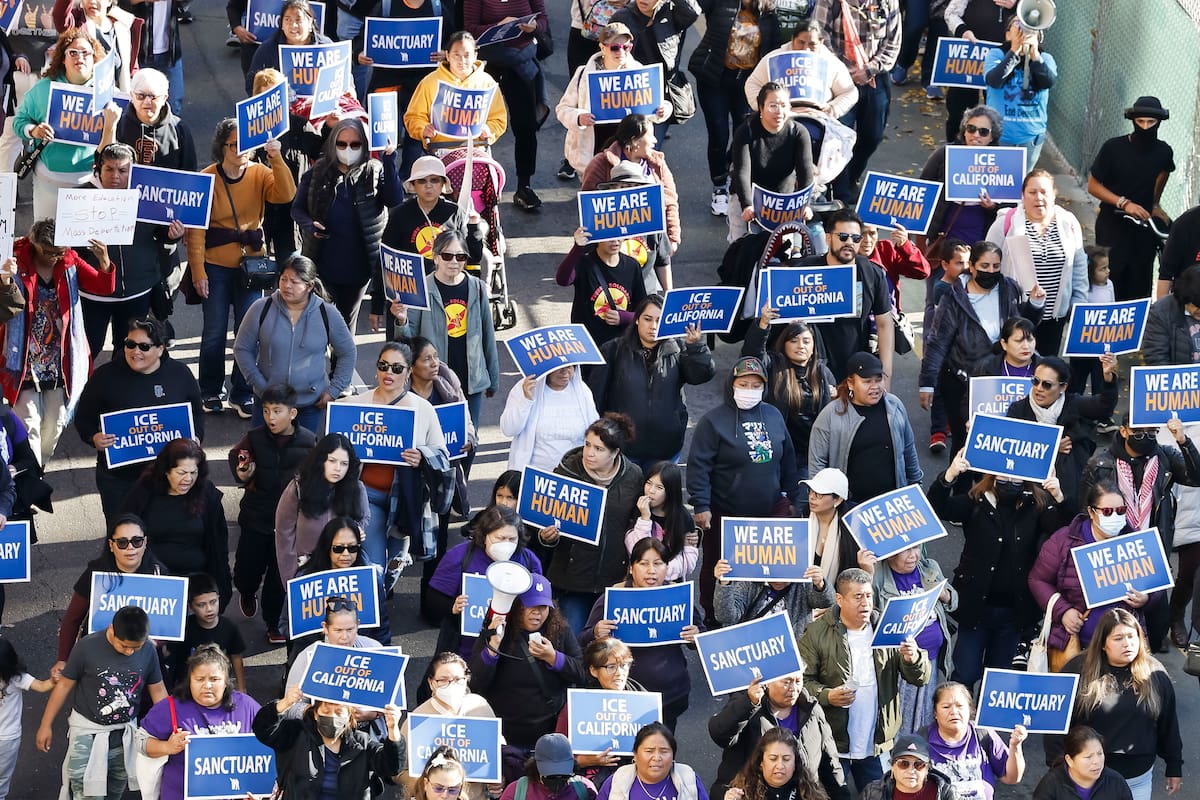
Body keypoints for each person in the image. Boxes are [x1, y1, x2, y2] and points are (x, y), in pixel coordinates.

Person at [186, 117, 297, 419]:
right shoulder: (207, 177)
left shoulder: (260, 172)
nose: (240, 150)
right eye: (234, 144)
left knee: (249, 335)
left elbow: (286, 194)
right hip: (216, 267)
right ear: (222, 147)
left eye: (245, 144)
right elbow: (195, 231)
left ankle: (242, 392)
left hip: (251, 266)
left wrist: (275, 156)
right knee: (214, 332)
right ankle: (209, 390)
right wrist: (198, 271)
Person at [929, 447, 1066, 686]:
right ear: (992, 475)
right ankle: (962, 720)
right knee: (965, 674)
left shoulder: (1036, 506)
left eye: (1015, 477)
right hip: (975, 609)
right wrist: (949, 476)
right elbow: (937, 507)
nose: (1009, 481)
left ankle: (986, 724)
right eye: (1003, 476)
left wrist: (1058, 497)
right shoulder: (976, 502)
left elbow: (1064, 531)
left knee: (998, 680)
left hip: (1013, 614)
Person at [687, 356, 803, 624]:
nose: (749, 389)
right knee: (718, 568)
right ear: (732, 384)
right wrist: (701, 505)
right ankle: (714, 619)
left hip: (770, 510)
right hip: (725, 512)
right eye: (744, 383)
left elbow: (787, 458)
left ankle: (761, 617)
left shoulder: (773, 415)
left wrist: (792, 497)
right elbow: (698, 466)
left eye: (755, 385)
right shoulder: (712, 421)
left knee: (771, 569)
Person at [797, 568, 932, 794]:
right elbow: (801, 681)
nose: (865, 603)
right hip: (833, 745)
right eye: (857, 596)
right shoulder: (817, 632)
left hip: (876, 745)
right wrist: (827, 695)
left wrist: (913, 658)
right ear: (839, 599)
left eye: (868, 595)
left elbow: (920, 678)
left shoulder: (888, 628)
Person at [0, 218, 114, 465]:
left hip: (59, 359)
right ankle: (31, 478)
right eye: (47, 252)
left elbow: (102, 287)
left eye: (58, 252)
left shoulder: (70, 260)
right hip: (23, 358)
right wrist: (5, 278)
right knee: (28, 426)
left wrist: (104, 261)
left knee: (55, 425)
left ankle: (35, 469)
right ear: (34, 244)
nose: (53, 257)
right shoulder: (15, 259)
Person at [1080, 414, 1200, 648]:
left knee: (1155, 628)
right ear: (1124, 431)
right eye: (1139, 433)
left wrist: (1183, 441)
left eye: (1151, 433)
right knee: (1113, 623)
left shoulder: (1165, 456)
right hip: (1111, 553)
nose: (1146, 438)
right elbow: (1085, 513)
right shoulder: (1100, 464)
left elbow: (1196, 478)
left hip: (1151, 552)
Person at [919, 240, 1045, 456]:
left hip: (999, 380)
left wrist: (1035, 305)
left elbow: (1022, 329)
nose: (991, 271)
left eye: (996, 267)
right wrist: (927, 384)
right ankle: (959, 486)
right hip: (961, 382)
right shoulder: (953, 296)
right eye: (985, 266)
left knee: (1000, 445)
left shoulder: (1009, 288)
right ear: (973, 266)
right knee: (964, 445)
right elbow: (938, 342)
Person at [74, 317, 204, 520]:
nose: (136, 352)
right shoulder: (104, 377)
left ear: (160, 349)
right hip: (119, 481)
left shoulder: (180, 375)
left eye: (144, 346)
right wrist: (93, 437)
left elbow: (196, 411)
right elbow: (83, 417)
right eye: (130, 344)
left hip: (168, 480)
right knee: (125, 539)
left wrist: (196, 436)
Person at [36, 606, 168, 799]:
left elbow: (158, 690)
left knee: (114, 790)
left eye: (136, 647)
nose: (130, 652)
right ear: (111, 630)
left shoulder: (148, 649)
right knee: (83, 791)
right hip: (87, 733)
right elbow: (64, 685)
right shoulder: (86, 647)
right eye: (125, 646)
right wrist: (45, 725)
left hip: (124, 736)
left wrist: (170, 726)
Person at [1056, 609, 1182, 800]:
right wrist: (1057, 767)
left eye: (1132, 636)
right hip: (1087, 778)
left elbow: (1168, 723)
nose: (1127, 644)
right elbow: (1057, 724)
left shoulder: (1155, 672)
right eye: (1118, 638)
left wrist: (1174, 766)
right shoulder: (1076, 670)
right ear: (1103, 644)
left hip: (1137, 776)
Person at [292, 118, 402, 333]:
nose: (348, 149)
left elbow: (395, 199)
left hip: (359, 269)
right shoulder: (318, 172)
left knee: (344, 327)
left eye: (355, 144)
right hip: (323, 265)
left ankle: (341, 366)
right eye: (342, 144)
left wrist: (389, 160)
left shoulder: (374, 170)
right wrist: (310, 225)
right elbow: (297, 209)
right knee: (322, 324)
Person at [581, 538, 703, 731]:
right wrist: (595, 632)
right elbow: (583, 639)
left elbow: (700, 634)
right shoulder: (614, 598)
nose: (651, 571)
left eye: (658, 563)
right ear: (631, 568)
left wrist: (696, 636)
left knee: (660, 753)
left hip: (670, 695)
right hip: (625, 698)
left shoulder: (677, 596)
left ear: (666, 567)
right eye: (644, 563)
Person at [78, 142, 186, 359]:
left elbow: (161, 232)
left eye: (122, 170)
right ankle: (83, 392)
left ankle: (123, 392)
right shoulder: (79, 198)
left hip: (137, 291)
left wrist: (173, 234)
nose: (115, 176)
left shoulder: (148, 196)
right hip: (93, 295)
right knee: (87, 350)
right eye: (109, 169)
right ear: (98, 168)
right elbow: (68, 247)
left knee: (128, 351)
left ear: (133, 171)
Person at [228, 384, 317, 644]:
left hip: (288, 526)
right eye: (266, 411)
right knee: (246, 571)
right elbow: (237, 456)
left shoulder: (310, 442)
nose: (271, 418)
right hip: (256, 519)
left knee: (280, 577)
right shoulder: (254, 437)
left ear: (293, 413)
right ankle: (246, 591)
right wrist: (242, 472)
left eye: (277, 411)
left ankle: (272, 622)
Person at [351, 341, 451, 570]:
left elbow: (442, 454)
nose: (389, 373)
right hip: (368, 495)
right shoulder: (357, 404)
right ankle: (379, 600)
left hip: (406, 498)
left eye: (396, 368)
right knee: (374, 566)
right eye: (383, 365)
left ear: (408, 373)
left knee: (396, 565)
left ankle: (382, 595)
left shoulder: (423, 408)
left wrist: (422, 457)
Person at [540, 414, 644, 632]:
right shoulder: (565, 473)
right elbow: (540, 524)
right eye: (587, 444)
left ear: (615, 452)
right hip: (572, 581)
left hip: (613, 580)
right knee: (573, 641)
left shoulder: (634, 477)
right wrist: (546, 537)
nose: (589, 452)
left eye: (598, 448)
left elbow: (637, 525)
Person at [1028, 482, 1156, 657]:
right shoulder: (1064, 540)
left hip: (1126, 647)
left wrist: (1146, 598)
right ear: (1091, 512)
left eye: (1121, 511)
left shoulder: (1136, 541)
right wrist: (1062, 611)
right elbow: (1038, 580)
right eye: (1108, 512)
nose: (1115, 516)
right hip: (1078, 646)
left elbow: (1158, 585)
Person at [232, 255, 356, 431]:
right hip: (268, 404)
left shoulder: (327, 313)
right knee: (262, 456)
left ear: (310, 286)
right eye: (283, 279)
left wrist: (334, 390)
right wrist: (260, 385)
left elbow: (348, 352)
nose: (287, 286)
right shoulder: (261, 308)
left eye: (294, 282)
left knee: (304, 458)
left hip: (309, 407)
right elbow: (242, 348)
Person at [589, 295, 714, 469]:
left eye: (659, 320)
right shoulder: (613, 350)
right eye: (647, 319)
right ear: (637, 320)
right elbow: (595, 399)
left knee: (661, 496)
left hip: (666, 448)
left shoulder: (679, 348)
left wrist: (697, 347)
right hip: (624, 448)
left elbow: (701, 376)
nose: (653, 326)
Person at [392, 230, 500, 429]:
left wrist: (492, 378)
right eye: (447, 256)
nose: (454, 262)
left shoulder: (476, 287)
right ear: (435, 258)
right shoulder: (421, 289)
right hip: (436, 378)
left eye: (460, 256)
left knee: (469, 436)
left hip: (471, 377)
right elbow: (408, 343)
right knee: (439, 434)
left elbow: (487, 334)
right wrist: (401, 320)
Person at [470, 579, 587, 755]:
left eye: (543, 607)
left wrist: (554, 658)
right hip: (505, 733)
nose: (537, 613)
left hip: (546, 731)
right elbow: (476, 680)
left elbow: (582, 672)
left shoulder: (560, 631)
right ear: (517, 607)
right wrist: (493, 647)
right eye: (530, 606)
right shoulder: (499, 632)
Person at [687, 0, 780, 217]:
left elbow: (774, 49)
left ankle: (734, 177)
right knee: (719, 134)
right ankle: (719, 185)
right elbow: (692, 7)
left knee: (744, 133)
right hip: (715, 78)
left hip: (747, 82)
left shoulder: (767, 11)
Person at [137, 644, 262, 800]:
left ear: (226, 681)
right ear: (190, 680)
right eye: (200, 679)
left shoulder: (246, 706)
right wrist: (167, 747)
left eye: (215, 679)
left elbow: (269, 745)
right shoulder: (170, 708)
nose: (207, 686)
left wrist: (257, 788)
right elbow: (140, 742)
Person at [119, 438, 233, 610]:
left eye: (193, 473)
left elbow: (219, 542)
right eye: (181, 473)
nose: (188, 479)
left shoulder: (207, 495)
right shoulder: (144, 492)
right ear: (166, 471)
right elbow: (122, 531)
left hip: (196, 583)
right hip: (153, 582)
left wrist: (221, 586)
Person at [986, 169, 1087, 357]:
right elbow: (987, 263)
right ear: (1023, 195)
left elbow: (1079, 267)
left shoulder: (1069, 223)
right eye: (1032, 192)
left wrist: (1079, 304)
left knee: (1046, 373)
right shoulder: (1005, 224)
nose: (1038, 197)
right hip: (1016, 316)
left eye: (1044, 192)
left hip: (1054, 319)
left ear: (1054, 195)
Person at [52, 515, 166, 677]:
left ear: (145, 543)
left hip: (143, 660)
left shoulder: (159, 574)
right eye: (122, 542)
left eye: (137, 541)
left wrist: (152, 644)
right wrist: (63, 659)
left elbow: (169, 626)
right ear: (111, 546)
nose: (130, 548)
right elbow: (72, 619)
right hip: (98, 657)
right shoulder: (95, 574)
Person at [1086, 96, 1174, 301]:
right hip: (1112, 222)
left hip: (1143, 225)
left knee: (1139, 281)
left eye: (1151, 122)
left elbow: (1164, 172)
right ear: (1133, 120)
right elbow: (1093, 185)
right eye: (1140, 121)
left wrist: (1153, 204)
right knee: (1109, 277)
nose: (1145, 127)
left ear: (1159, 122)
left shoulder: (1164, 151)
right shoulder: (1113, 148)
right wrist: (1124, 203)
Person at [463, 0, 548, 210]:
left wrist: (534, 27)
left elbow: (543, 20)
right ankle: (476, 184)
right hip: (488, 65)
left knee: (526, 128)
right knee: (475, 128)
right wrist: (499, 26)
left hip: (521, 65)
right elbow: (470, 30)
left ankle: (524, 186)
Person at [791, 209, 894, 382]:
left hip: (854, 373)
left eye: (855, 238)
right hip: (811, 374)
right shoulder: (803, 271)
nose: (849, 243)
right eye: (843, 236)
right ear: (828, 238)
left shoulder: (872, 273)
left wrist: (886, 377)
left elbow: (884, 325)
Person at [813, 0, 900, 203]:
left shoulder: (888, 2)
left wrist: (868, 70)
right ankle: (841, 195)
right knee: (837, 138)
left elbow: (893, 43)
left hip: (875, 76)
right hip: (839, 79)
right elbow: (820, 37)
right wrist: (844, 71)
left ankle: (850, 177)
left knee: (873, 135)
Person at [429, 505, 544, 659]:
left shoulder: (529, 561)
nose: (506, 544)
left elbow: (539, 600)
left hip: (511, 651)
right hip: (463, 650)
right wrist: (452, 607)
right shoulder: (459, 556)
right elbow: (432, 599)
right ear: (485, 536)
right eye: (500, 538)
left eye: (512, 539)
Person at [708, 674, 848, 800]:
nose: (793, 688)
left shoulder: (812, 710)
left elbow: (831, 766)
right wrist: (749, 703)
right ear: (767, 682)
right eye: (786, 682)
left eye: (798, 681)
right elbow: (720, 734)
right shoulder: (748, 706)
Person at [1006, 355, 1118, 512]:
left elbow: (1104, 407)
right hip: (1031, 489)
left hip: (1070, 484)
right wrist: (1049, 447)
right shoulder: (1018, 409)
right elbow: (1011, 446)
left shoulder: (1074, 404)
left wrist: (1108, 378)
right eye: (1035, 381)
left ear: (1063, 387)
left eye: (1047, 385)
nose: (1039, 388)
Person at [557, 23, 671, 176]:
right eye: (615, 48)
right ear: (602, 48)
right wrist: (579, 118)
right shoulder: (583, 75)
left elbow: (658, 106)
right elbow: (563, 109)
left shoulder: (639, 72)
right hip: (593, 151)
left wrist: (663, 110)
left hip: (629, 154)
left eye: (626, 47)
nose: (621, 52)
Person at [808, 351, 921, 505]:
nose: (875, 387)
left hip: (894, 503)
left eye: (879, 380)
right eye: (867, 381)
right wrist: (823, 501)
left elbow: (908, 449)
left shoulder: (895, 406)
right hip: (850, 507)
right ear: (850, 383)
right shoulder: (830, 415)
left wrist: (917, 485)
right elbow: (817, 465)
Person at [253, 685, 404, 798]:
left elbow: (392, 767)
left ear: (349, 717)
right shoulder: (296, 735)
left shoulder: (363, 744)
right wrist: (284, 703)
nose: (332, 717)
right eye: (325, 711)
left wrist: (393, 730)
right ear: (316, 714)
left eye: (339, 712)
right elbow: (262, 729)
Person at [13, 28, 103, 218]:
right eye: (73, 52)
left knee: (81, 246)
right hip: (49, 181)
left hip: (89, 182)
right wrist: (34, 130)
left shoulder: (106, 92)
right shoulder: (43, 89)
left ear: (95, 57)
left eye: (86, 52)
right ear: (63, 58)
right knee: (46, 242)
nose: (80, 57)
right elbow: (19, 122)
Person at [871, 545, 956, 734]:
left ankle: (919, 758)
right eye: (906, 550)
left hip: (930, 661)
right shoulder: (877, 575)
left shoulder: (929, 567)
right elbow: (868, 615)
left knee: (924, 717)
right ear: (891, 553)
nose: (913, 555)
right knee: (899, 720)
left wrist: (943, 594)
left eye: (916, 548)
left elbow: (954, 601)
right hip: (899, 666)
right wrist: (866, 570)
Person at [743, 313, 836, 480]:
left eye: (806, 341)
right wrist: (763, 323)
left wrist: (837, 394)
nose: (800, 346)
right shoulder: (774, 365)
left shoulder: (822, 373)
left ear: (814, 346)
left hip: (812, 454)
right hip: (779, 451)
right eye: (794, 341)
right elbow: (752, 356)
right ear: (784, 344)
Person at [400, 654, 500, 800]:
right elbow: (397, 771)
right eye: (444, 680)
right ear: (431, 683)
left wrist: (498, 778)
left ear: (466, 679)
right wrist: (429, 782)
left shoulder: (480, 707)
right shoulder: (417, 720)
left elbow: (497, 748)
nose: (452, 684)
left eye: (458, 679)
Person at [579, 115, 682, 255]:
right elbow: (590, 208)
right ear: (634, 141)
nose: (655, 140)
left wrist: (672, 239)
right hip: (613, 248)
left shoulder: (658, 164)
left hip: (649, 246)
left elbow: (670, 202)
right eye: (650, 135)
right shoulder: (600, 164)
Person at [275, 432, 369, 584]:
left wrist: (356, 529)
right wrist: (290, 577)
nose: (338, 468)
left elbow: (364, 517)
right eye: (332, 461)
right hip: (306, 569)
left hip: (343, 571)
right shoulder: (299, 487)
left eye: (344, 463)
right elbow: (283, 532)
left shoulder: (357, 488)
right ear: (321, 460)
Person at [727, 82, 814, 242]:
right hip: (750, 196)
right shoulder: (746, 131)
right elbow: (742, 173)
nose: (779, 111)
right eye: (773, 106)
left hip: (783, 201)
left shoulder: (799, 132)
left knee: (785, 251)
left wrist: (805, 204)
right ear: (761, 108)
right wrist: (746, 204)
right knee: (740, 247)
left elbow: (806, 172)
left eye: (783, 105)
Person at [554, 638, 647, 787]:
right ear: (593, 670)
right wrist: (583, 761)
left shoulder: (644, 700)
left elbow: (659, 748)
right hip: (589, 785)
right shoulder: (577, 704)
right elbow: (556, 757)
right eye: (611, 667)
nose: (619, 673)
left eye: (624, 665)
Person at [610, 0, 700, 142]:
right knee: (626, 148)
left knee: (648, 148)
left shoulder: (673, 14)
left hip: (660, 99)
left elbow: (693, 11)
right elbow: (607, 58)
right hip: (628, 96)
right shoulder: (622, 17)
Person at [405, 31, 508, 151]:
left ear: (475, 55)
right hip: (439, 150)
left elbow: (499, 119)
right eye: (456, 55)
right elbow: (413, 117)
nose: (462, 60)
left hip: (477, 149)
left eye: (467, 55)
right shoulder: (430, 82)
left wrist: (489, 130)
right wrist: (423, 128)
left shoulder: (487, 83)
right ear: (447, 56)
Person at [919, 105, 1004, 250]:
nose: (976, 135)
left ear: (992, 137)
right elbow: (922, 187)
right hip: (944, 228)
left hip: (980, 231)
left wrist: (993, 207)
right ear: (964, 131)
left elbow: (1010, 206)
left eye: (983, 132)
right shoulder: (944, 154)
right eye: (971, 129)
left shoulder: (1003, 161)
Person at [294, 517, 390, 644]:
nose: (346, 554)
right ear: (327, 547)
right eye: (338, 548)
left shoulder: (371, 581)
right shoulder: (304, 580)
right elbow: (286, 626)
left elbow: (382, 629)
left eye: (352, 548)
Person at [926, 682, 1027, 800]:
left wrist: (1015, 746)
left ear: (969, 709)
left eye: (960, 706)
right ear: (935, 713)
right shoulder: (921, 741)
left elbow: (1011, 777)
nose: (954, 711)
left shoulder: (983, 734)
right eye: (946, 707)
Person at [559, 222, 650, 352]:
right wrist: (577, 248)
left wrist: (624, 317)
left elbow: (643, 311)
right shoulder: (584, 263)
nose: (615, 241)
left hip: (620, 346)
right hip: (588, 345)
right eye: (609, 236)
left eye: (619, 236)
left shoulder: (632, 266)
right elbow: (563, 280)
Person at [983, 15, 1056, 168]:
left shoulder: (1045, 58)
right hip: (998, 135)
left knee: (1022, 185)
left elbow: (1048, 82)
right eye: (1017, 24)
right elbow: (994, 81)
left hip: (1030, 138)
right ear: (1007, 34)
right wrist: (1015, 51)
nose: (1023, 29)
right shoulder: (996, 54)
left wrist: (1034, 55)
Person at [713, 553, 832, 644]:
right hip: (753, 648)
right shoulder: (749, 582)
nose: (778, 580)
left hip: (791, 649)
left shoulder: (803, 583)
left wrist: (820, 584)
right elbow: (726, 616)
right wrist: (724, 584)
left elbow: (827, 601)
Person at [502, 364, 599, 472]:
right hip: (534, 476)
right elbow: (509, 429)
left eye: (570, 367)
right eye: (560, 367)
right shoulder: (526, 387)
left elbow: (595, 432)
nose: (565, 372)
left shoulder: (582, 390)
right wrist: (526, 400)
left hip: (573, 476)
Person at [940, 0, 1014, 141]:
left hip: (1004, 58)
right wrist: (963, 31)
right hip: (970, 54)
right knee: (959, 111)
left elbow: (1039, 14)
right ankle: (954, 153)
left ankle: (994, 156)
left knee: (997, 116)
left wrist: (1018, 5)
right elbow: (951, 13)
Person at [98, 67, 196, 171]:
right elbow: (102, 165)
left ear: (164, 98)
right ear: (132, 96)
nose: (147, 102)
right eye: (141, 96)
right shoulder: (118, 124)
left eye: (153, 97)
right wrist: (110, 127)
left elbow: (189, 174)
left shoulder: (179, 129)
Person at [163, 573, 247, 691]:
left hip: (220, 687)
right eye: (201, 605)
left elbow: (236, 657)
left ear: (219, 598)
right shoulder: (183, 628)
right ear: (190, 607)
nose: (209, 609)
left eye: (213, 602)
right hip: (187, 688)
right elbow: (171, 657)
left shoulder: (229, 627)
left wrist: (242, 689)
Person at [595, 723, 710, 800]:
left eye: (664, 751)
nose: (656, 757)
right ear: (635, 754)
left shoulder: (688, 779)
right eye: (649, 751)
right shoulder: (617, 781)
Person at [624, 462, 697, 580]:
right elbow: (635, 551)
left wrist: (660, 572)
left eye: (659, 487)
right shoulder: (635, 509)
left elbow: (688, 562)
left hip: (671, 584)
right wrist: (644, 519)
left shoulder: (682, 517)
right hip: (639, 583)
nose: (651, 491)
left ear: (670, 491)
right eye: (649, 483)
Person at [0, 639, 52, 800]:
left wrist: (56, 680)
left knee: (2, 775)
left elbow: (42, 686)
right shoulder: (15, 676)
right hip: (9, 737)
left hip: (7, 738)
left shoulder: (17, 678)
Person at [245, 0, 332, 92]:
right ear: (281, 24)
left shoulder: (326, 46)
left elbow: (344, 79)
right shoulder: (268, 49)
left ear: (310, 22)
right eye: (287, 19)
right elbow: (252, 85)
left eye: (298, 20)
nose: (293, 25)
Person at [722, 728, 832, 800]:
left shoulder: (810, 792)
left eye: (786, 759)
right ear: (761, 761)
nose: (780, 766)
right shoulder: (743, 792)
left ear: (795, 763)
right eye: (773, 759)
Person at [53, 0, 136, 91]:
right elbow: (60, 17)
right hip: (81, 95)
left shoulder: (123, 27)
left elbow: (132, 70)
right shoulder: (77, 22)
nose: (92, 1)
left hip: (115, 97)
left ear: (109, 1)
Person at [1032, 726, 1134, 800]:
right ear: (1069, 760)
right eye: (1088, 757)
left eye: (1099, 754)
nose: (1096, 761)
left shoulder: (1116, 782)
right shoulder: (1051, 785)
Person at [857, 734, 956, 800]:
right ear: (892, 766)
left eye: (919, 765)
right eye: (903, 764)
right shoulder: (872, 793)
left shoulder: (945, 793)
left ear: (927, 769)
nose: (911, 770)